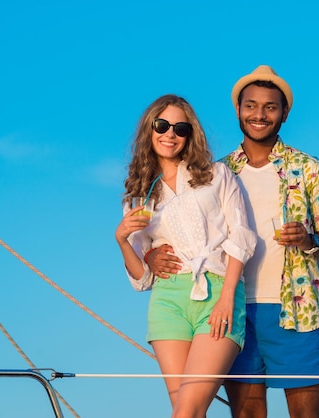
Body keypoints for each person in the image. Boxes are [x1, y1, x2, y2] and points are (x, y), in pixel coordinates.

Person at [146, 66, 319, 418]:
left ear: (284, 113)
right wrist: (150, 256)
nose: (259, 114)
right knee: (246, 411)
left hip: (297, 310)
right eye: (250, 105)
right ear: (238, 111)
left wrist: (308, 239)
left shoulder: (311, 169)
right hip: (228, 306)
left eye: (270, 107)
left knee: (307, 410)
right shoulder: (213, 172)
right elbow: (178, 232)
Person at [114, 94, 257, 418]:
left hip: (218, 293)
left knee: (186, 411)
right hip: (168, 301)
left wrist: (227, 297)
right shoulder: (140, 193)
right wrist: (122, 239)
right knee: (185, 410)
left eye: (180, 128)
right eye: (162, 125)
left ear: (191, 134)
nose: (170, 134)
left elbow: (242, 235)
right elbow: (142, 279)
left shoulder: (216, 175)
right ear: (149, 130)